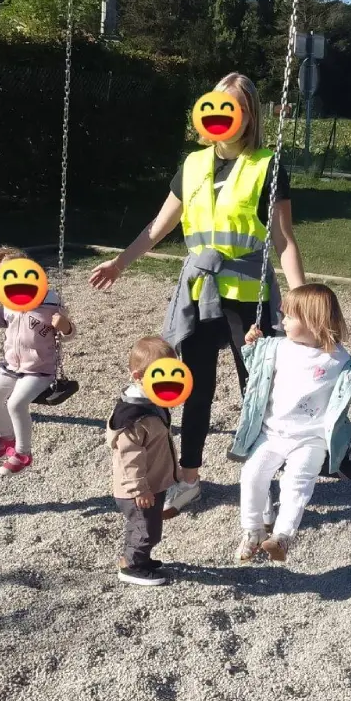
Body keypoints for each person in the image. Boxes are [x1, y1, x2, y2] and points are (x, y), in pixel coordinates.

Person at [88, 73, 306, 518]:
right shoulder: (191, 166)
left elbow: (284, 241)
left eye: (234, 108)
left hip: (250, 298)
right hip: (201, 294)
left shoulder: (267, 165)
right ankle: (189, 479)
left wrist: (303, 300)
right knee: (197, 389)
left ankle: (261, 480)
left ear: (248, 116)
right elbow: (160, 225)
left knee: (259, 391)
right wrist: (120, 262)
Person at [229, 284, 351, 564]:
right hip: (271, 432)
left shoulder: (341, 361)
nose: (282, 321)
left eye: (289, 316)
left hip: (311, 439)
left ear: (313, 321)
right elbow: (255, 367)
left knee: (297, 484)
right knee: (252, 475)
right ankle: (252, 531)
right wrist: (251, 345)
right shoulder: (277, 347)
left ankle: (282, 537)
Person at [0, 244, 74, 475]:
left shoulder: (50, 303)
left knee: (16, 403)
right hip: (12, 367)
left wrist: (63, 326)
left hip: (39, 371)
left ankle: (23, 453)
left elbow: (69, 333)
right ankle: (7, 440)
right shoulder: (10, 304)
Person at [106, 335, 181, 587]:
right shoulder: (133, 417)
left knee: (142, 524)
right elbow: (130, 458)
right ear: (139, 377)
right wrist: (140, 489)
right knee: (147, 529)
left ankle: (135, 558)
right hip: (138, 488)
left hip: (152, 482)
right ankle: (133, 567)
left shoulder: (150, 402)